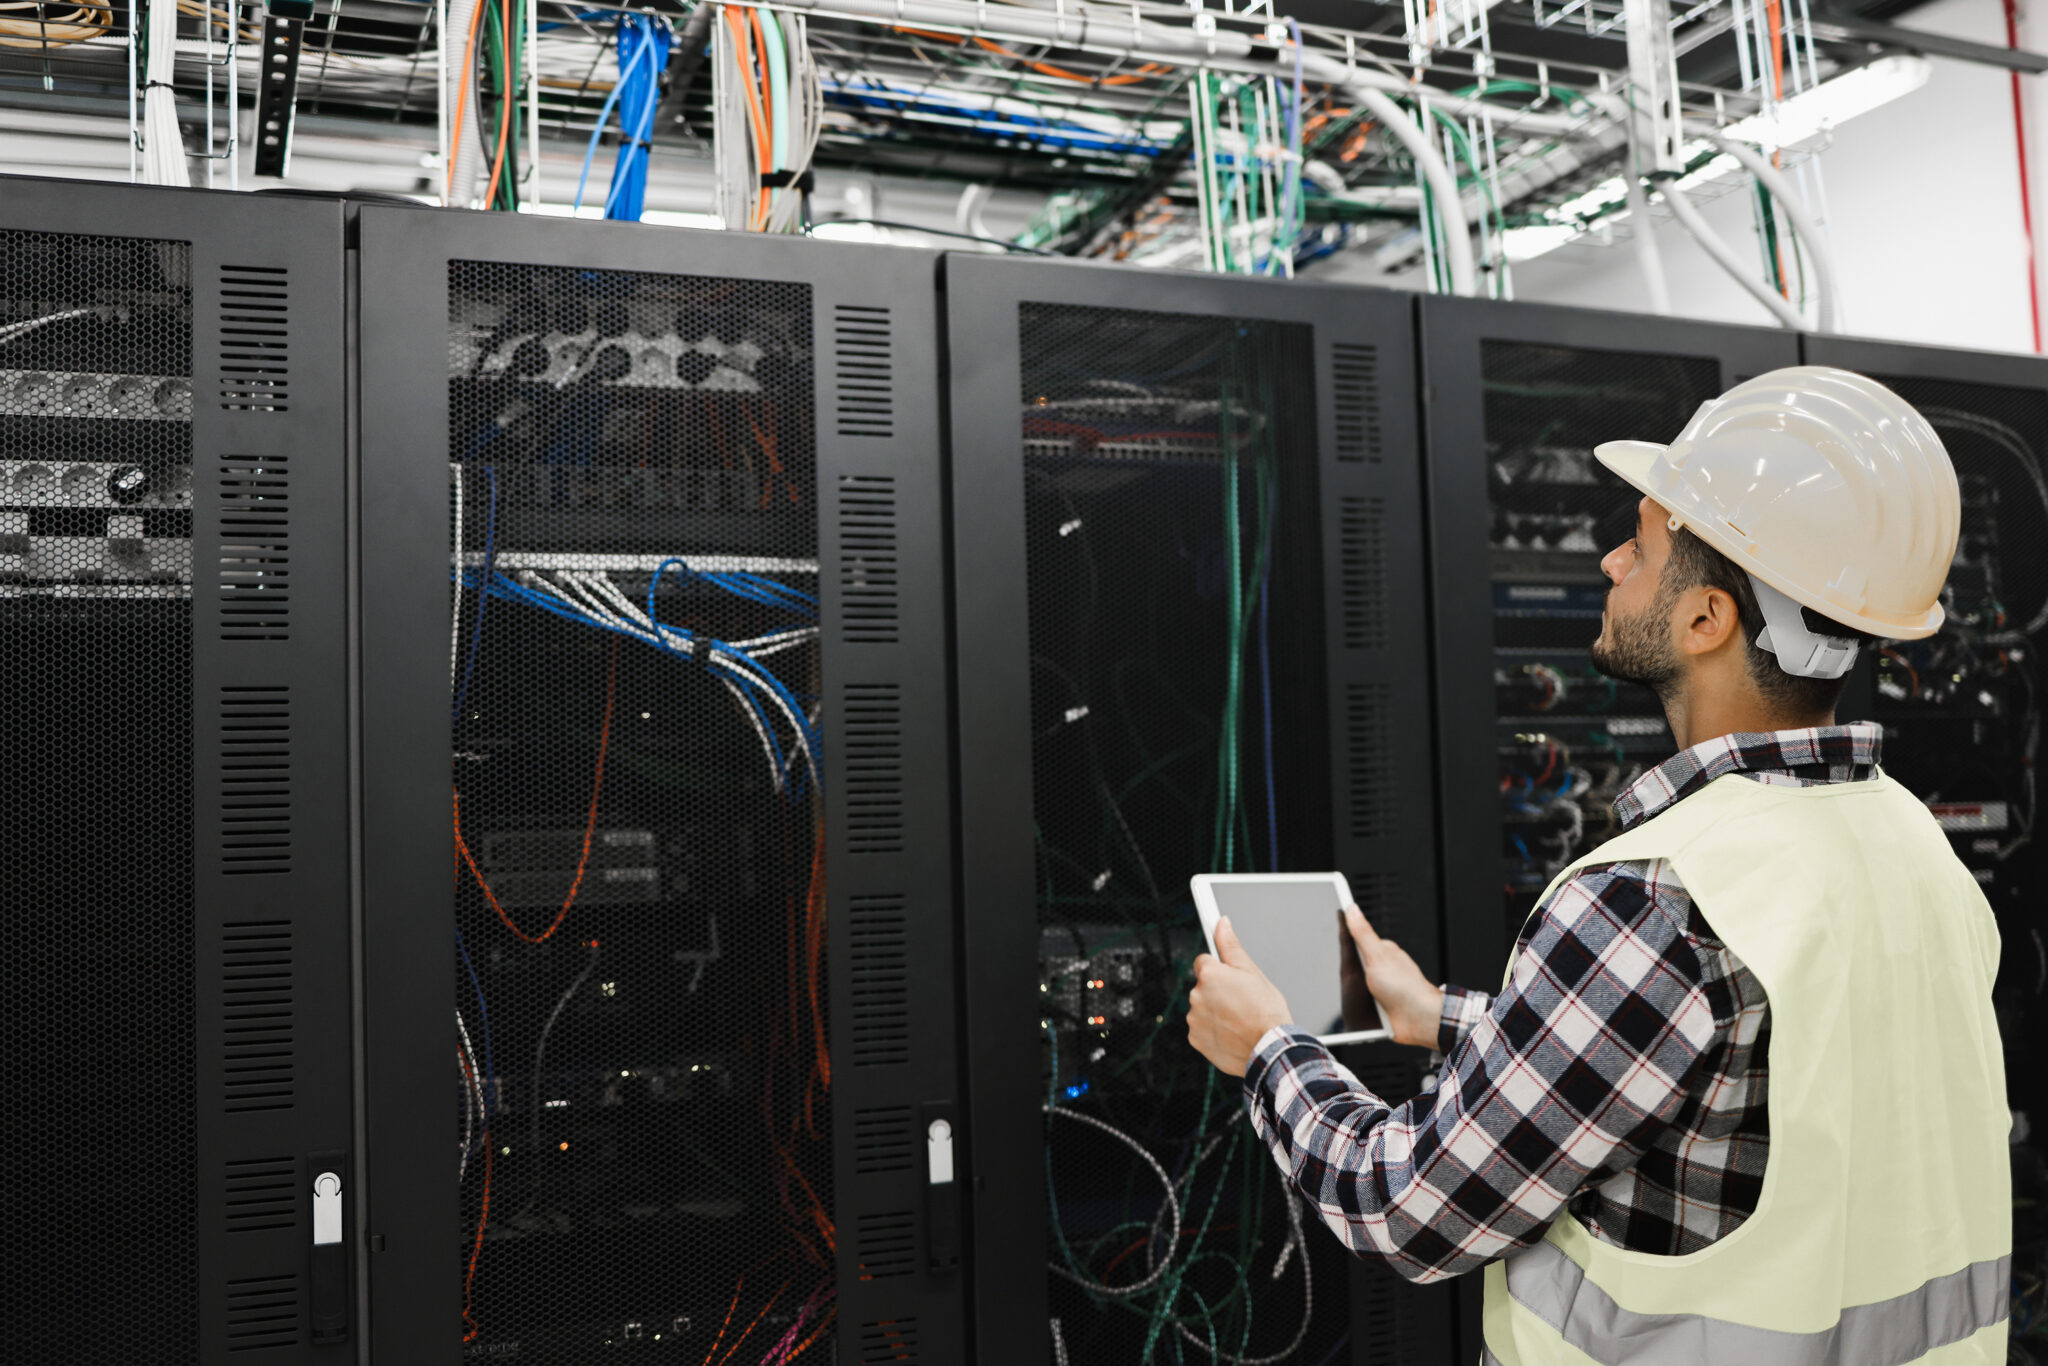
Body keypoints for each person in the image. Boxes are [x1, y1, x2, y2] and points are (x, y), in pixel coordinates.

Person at [1184, 367, 2012, 1364]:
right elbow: (1749, 1080)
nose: (1614, 556)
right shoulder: (1910, 842)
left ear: (1707, 619)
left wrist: (1267, 1047)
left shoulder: (1657, 897)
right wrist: (1435, 1017)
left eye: (1645, 541)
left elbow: (1406, 1207)